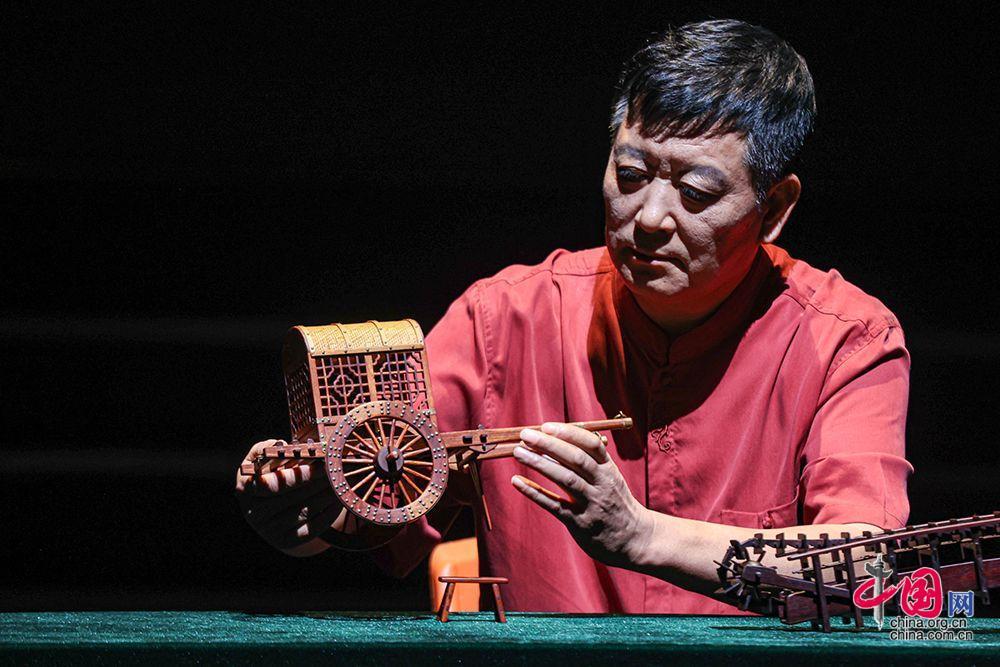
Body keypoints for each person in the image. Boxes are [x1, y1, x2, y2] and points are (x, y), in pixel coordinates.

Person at [235, 19, 912, 613]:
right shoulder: (506, 317)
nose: (649, 218)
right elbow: (379, 496)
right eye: (631, 174)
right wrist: (306, 514)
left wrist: (641, 535)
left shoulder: (846, 340)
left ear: (775, 208)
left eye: (696, 191)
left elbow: (864, 567)